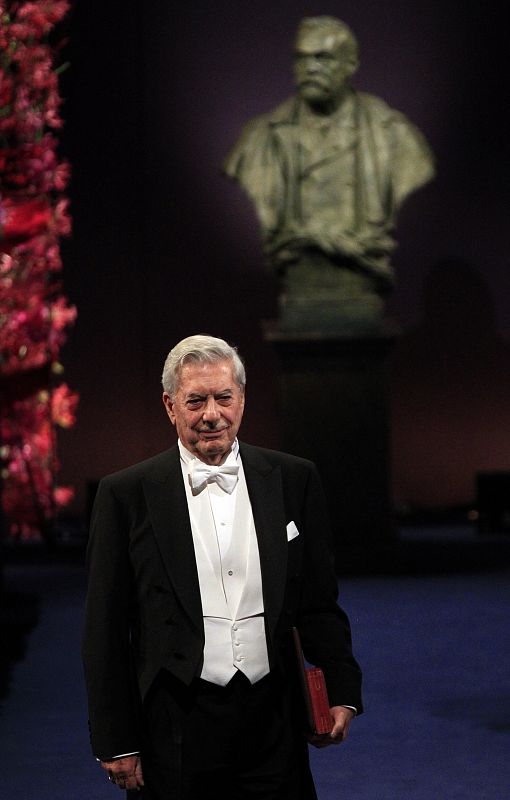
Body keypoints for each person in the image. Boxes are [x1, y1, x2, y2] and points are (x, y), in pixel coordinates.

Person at [82, 334, 363, 799]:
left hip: (274, 717)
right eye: (196, 401)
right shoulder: (125, 494)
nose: (212, 414)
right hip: (174, 724)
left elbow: (318, 601)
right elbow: (105, 629)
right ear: (170, 406)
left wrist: (341, 688)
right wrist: (115, 738)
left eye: (223, 398)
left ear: (242, 399)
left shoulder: (294, 479)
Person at [224, 16, 435, 331]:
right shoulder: (260, 138)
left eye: (322, 58)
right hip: (298, 287)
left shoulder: (394, 136)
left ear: (351, 65)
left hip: (362, 288)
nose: (310, 67)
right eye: (302, 58)